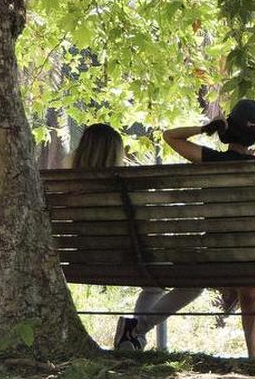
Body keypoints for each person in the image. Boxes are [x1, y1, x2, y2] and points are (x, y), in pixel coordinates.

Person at [70, 123, 204, 352]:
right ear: (115, 154)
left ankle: (132, 341)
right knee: (197, 283)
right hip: (130, 264)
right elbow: (148, 230)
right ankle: (136, 330)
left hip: (81, 264)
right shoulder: (125, 188)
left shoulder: (67, 188)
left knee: (152, 288)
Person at [160, 98, 255, 358]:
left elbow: (170, 137)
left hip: (214, 255)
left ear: (228, 127)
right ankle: (254, 357)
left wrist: (205, 128)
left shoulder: (211, 161)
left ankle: (137, 328)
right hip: (253, 260)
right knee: (249, 293)